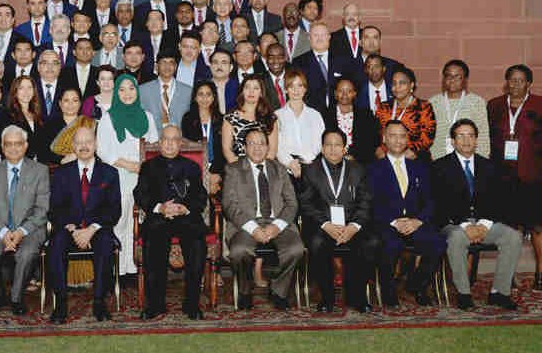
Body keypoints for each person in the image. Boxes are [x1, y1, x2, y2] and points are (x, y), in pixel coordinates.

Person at [432, 119, 521, 310]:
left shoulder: (489, 166)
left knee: (512, 237)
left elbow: (498, 201)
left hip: (483, 223)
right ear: (453, 141)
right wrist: (466, 226)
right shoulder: (439, 167)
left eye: (471, 136)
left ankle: (500, 292)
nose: (466, 141)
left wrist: (484, 225)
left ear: (476, 140)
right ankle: (464, 294)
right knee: (456, 238)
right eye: (461, 136)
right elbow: (440, 205)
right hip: (454, 224)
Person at [487, 64, 542, 290]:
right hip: (504, 178)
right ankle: (509, 273)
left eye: (520, 80)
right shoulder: (494, 106)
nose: (515, 84)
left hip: (535, 177)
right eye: (511, 80)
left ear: (529, 84)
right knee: (509, 227)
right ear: (506, 82)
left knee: (538, 225)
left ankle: (541, 272)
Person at [222, 129, 304, 310]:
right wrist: (253, 229)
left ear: (268, 147)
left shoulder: (280, 169)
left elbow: (292, 203)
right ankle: (245, 289)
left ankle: (278, 291)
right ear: (244, 148)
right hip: (246, 225)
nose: (257, 148)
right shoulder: (233, 170)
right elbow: (229, 204)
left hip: (278, 223)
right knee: (239, 251)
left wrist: (277, 226)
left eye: (261, 143)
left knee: (296, 249)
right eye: (252, 143)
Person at [299, 129, 378, 313]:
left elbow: (365, 202)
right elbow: (306, 203)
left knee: (372, 242)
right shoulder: (310, 171)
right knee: (317, 243)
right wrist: (326, 225)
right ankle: (327, 297)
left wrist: (353, 226)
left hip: (351, 225)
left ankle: (357, 295)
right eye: (328, 145)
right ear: (322, 148)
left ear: (344, 149)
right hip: (323, 226)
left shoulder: (359, 170)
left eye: (337, 145)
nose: (333, 149)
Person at [134, 125, 208, 320]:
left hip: (187, 218)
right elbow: (140, 194)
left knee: (197, 242)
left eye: (174, 139)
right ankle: (155, 304)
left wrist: (185, 207)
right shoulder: (148, 167)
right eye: (165, 139)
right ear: (160, 142)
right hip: (159, 218)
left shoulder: (192, 167)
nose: (169, 143)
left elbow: (201, 196)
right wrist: (160, 207)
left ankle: (192, 303)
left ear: (180, 143)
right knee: (153, 241)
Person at [368, 120, 446, 307]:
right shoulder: (373, 169)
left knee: (437, 243)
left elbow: (430, 200)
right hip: (388, 224)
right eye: (393, 136)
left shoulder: (419, 167)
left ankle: (417, 284)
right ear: (384, 139)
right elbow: (371, 203)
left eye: (402, 136)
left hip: (414, 222)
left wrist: (418, 221)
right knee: (390, 244)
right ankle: (388, 291)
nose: (398, 140)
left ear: (408, 140)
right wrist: (394, 222)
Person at [48, 127, 121, 323]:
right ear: (73, 146)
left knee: (105, 244)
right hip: (69, 228)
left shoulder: (110, 173)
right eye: (79, 143)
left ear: (95, 144)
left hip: (97, 228)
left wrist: (92, 229)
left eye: (88, 141)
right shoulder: (61, 174)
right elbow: (54, 208)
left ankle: (99, 302)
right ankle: (61, 304)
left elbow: (114, 210)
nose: (84, 146)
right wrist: (70, 226)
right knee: (56, 244)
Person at [0, 125, 50, 316]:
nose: (13, 148)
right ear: (2, 146)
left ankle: (16, 298)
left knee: (26, 254)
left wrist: (19, 232)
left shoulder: (40, 171)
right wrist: (4, 233)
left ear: (25, 145)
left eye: (18, 144)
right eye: (8, 144)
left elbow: (42, 210)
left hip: (30, 231)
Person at [97, 74, 159, 276]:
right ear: (116, 93)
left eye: (131, 89)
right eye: (121, 89)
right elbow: (103, 150)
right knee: (121, 221)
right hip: (118, 176)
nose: (127, 94)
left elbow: (154, 145)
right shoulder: (108, 117)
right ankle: (118, 270)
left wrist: (143, 165)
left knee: (139, 222)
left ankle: (134, 267)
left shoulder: (147, 116)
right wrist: (127, 164)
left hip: (143, 177)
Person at [429, 60, 490, 160]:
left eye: (457, 76)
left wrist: (481, 162)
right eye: (448, 76)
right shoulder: (433, 102)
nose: (452, 80)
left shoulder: (477, 102)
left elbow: (483, 136)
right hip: (437, 159)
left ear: (465, 80)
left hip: (468, 160)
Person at [375, 66, 437, 163]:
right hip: (386, 157)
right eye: (394, 83)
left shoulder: (423, 106)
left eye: (402, 83)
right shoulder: (383, 107)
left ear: (411, 85)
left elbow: (428, 136)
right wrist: (380, 149)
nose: (397, 87)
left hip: (414, 157)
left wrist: (412, 151)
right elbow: (376, 133)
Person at [275, 69, 324, 184]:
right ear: (286, 90)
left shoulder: (315, 115)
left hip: (312, 166)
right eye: (291, 86)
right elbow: (277, 145)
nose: (296, 90)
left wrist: (306, 160)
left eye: (300, 86)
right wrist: (291, 163)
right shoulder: (277, 115)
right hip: (286, 169)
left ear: (305, 89)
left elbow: (320, 142)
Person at [181, 81, 225, 194]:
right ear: (195, 97)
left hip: (218, 170)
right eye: (200, 94)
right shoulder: (188, 119)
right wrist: (204, 173)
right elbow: (188, 151)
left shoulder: (222, 120)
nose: (204, 98)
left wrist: (215, 174)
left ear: (214, 97)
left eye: (208, 94)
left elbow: (224, 150)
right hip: (195, 169)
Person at [222, 75, 278, 163]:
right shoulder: (230, 118)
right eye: (247, 87)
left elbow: (272, 151)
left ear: (261, 93)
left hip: (264, 169)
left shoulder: (270, 117)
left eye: (256, 88)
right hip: (238, 168)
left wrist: (261, 170)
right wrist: (241, 170)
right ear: (242, 91)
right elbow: (227, 150)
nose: (251, 92)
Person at [327, 77, 381, 164]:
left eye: (349, 91)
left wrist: (355, 158)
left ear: (354, 93)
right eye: (341, 91)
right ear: (335, 93)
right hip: (331, 162)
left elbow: (372, 143)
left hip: (360, 163)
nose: (344, 95)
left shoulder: (366, 115)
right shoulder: (325, 115)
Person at [38, 88, 96, 165]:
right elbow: (42, 153)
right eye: (66, 100)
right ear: (60, 103)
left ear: (80, 103)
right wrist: (62, 159)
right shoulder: (48, 125)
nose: (70, 104)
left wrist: (78, 156)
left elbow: (96, 150)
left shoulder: (88, 123)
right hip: (56, 170)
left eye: (75, 100)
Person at [292, 21, 339, 115]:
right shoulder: (299, 62)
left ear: (329, 37)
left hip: (338, 114)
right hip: (311, 114)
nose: (319, 38)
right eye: (315, 35)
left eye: (323, 35)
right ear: (309, 38)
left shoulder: (342, 60)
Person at [139, 51, 191, 132]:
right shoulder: (142, 90)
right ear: (156, 66)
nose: (167, 66)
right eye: (163, 62)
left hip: (179, 141)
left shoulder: (188, 91)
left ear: (176, 66)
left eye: (171, 63)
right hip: (151, 140)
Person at [7, 75, 43, 160]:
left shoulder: (38, 115)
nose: (26, 92)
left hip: (39, 165)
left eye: (29, 87)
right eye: (21, 88)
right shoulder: (9, 116)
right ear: (15, 92)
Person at [35, 49, 66, 124]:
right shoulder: (30, 87)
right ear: (38, 67)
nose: (50, 67)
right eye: (45, 63)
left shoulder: (68, 88)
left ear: (60, 67)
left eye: (55, 63)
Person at [262, 42, 289, 110]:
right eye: (271, 57)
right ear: (266, 59)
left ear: (285, 58)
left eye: (280, 57)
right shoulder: (260, 81)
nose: (276, 61)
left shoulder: (295, 77)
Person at [209, 48, 237, 114]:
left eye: (224, 63)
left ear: (231, 67)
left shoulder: (239, 88)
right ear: (210, 66)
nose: (219, 66)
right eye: (215, 62)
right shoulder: (201, 87)